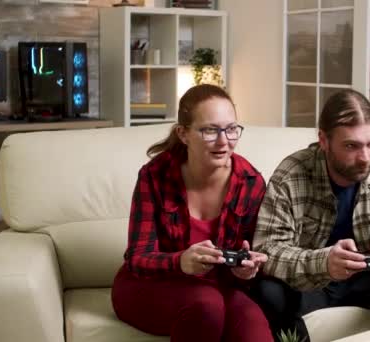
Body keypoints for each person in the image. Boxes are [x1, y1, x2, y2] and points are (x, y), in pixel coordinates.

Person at [251, 89, 370, 341]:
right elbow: (268, 250)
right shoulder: (291, 174)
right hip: (312, 282)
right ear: (323, 140)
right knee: (266, 291)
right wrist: (324, 262)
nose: (365, 157)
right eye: (351, 146)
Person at [111, 84, 273, 342]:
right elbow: (138, 258)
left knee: (253, 325)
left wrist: (245, 271)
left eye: (231, 129)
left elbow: (253, 255)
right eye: (210, 130)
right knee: (206, 306)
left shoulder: (251, 182)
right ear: (183, 134)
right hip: (150, 285)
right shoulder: (155, 176)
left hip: (217, 287)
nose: (224, 141)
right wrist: (180, 261)